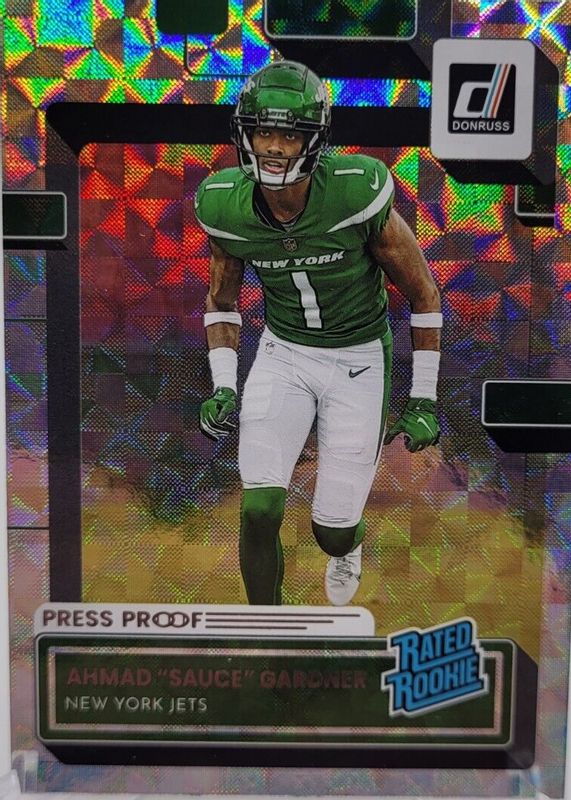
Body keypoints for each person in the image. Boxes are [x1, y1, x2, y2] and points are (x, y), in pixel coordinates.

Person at [195, 60, 441, 606]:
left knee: (332, 532)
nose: (274, 147)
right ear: (244, 134)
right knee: (259, 508)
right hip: (284, 353)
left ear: (315, 140)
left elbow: (424, 293)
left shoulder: (355, 192)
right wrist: (223, 385)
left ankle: (348, 543)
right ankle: (267, 630)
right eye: (263, 131)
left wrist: (423, 397)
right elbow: (221, 301)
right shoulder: (222, 204)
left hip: (358, 358)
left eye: (289, 134)